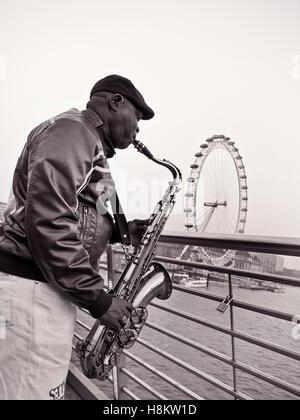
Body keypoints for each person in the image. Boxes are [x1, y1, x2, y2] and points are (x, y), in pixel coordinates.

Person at [0, 75, 154, 400]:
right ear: (116, 102)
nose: (138, 130)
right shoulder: (72, 133)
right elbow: (49, 222)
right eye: (138, 118)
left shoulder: (94, 149)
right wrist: (99, 300)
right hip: (34, 292)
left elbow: (89, 216)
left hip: (48, 290)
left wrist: (123, 230)